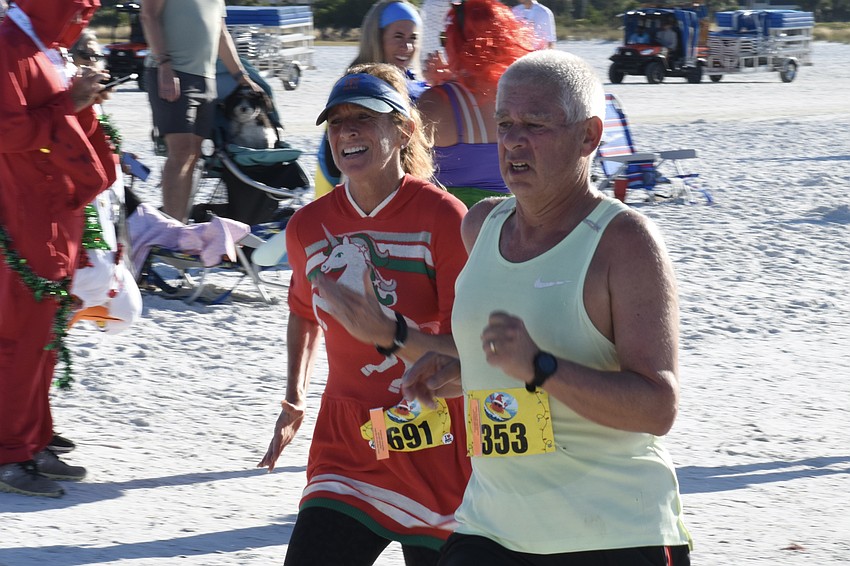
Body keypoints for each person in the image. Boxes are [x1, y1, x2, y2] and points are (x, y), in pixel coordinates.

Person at [402, 50, 692, 564]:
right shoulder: (481, 226)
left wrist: (541, 367)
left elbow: (657, 406)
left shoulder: (624, 242)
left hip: (611, 533)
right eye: (505, 124)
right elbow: (510, 373)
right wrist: (459, 373)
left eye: (535, 125)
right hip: (491, 527)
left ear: (589, 136)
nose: (514, 140)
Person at [258, 63, 471, 565]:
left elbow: (469, 344)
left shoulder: (443, 218)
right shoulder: (308, 227)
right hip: (347, 440)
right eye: (336, 122)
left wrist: (390, 333)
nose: (347, 131)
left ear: (403, 129)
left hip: (435, 434)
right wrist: (294, 397)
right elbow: (302, 311)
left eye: (364, 118)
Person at [0, 0, 116, 498]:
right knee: (20, 337)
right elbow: (6, 131)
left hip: (52, 211)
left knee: (44, 335)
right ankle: (9, 453)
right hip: (22, 214)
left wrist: (83, 96)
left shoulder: (46, 46)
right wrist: (68, 104)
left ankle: (33, 438)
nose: (85, 9)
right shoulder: (7, 45)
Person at [140, 0, 261, 223]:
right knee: (180, 151)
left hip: (205, 77)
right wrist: (164, 64)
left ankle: (180, 223)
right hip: (172, 72)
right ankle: (172, 228)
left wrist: (241, 76)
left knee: (194, 154)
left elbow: (221, 33)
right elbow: (148, 15)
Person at [418, 0, 535, 208]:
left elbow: (400, 175)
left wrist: (437, 87)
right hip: (510, 228)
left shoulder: (436, 103)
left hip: (449, 229)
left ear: (455, 42)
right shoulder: (524, 99)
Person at [315, 0, 427, 200]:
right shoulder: (354, 86)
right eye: (398, 36)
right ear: (377, 37)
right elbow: (329, 161)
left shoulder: (419, 87)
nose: (407, 46)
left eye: (414, 38)